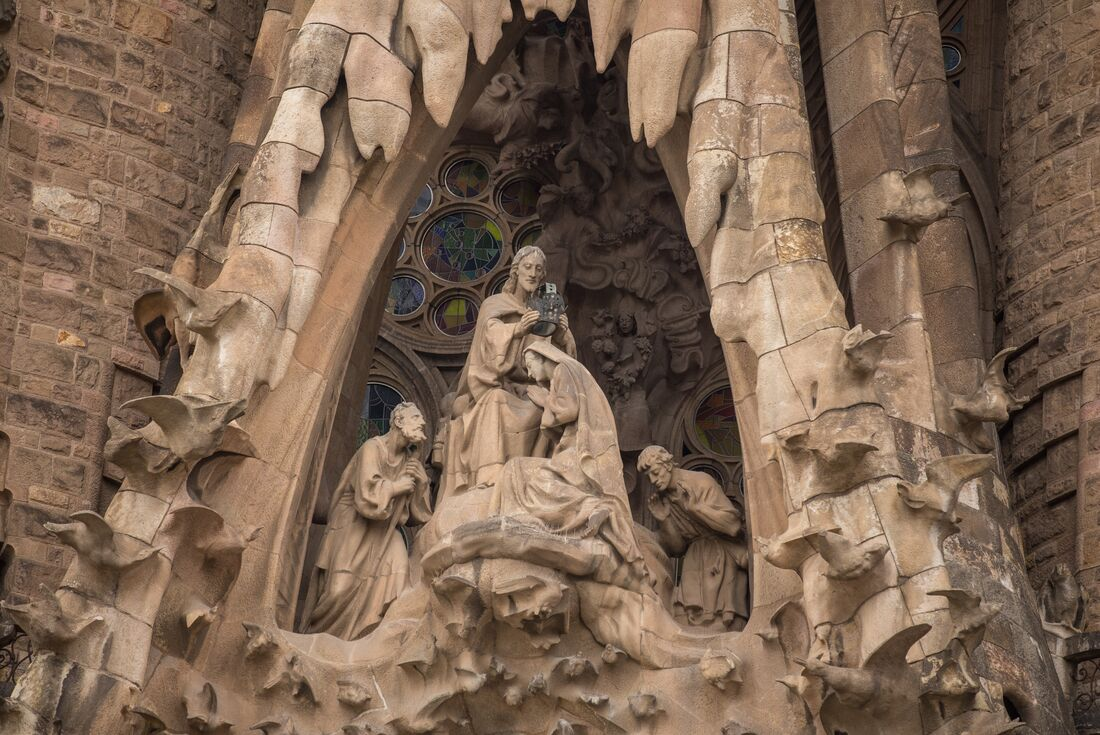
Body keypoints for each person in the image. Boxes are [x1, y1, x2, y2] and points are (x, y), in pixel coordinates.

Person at [493, 341, 647, 579]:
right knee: (523, 472)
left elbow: (569, 410)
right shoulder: (568, 372)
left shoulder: (563, 369)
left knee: (517, 471)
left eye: (530, 365)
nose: (530, 374)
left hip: (582, 452)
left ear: (543, 357)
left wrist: (544, 400)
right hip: (579, 450)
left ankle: (590, 508)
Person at [440, 245, 576, 498]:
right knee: (496, 401)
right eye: (527, 267)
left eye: (538, 269)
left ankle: (533, 483)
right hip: (494, 385)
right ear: (516, 271)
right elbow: (488, 345)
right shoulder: (495, 305)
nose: (532, 273)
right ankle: (490, 477)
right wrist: (516, 330)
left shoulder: (544, 312)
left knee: (544, 408)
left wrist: (562, 336)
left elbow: (556, 364)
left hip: (529, 389)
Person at [301, 403, 432, 639]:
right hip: (353, 523)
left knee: (399, 578)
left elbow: (417, 518)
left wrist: (421, 483)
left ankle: (378, 643)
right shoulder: (372, 448)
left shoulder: (410, 460)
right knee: (338, 592)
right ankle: (319, 642)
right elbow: (365, 495)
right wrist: (396, 487)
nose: (421, 422)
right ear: (399, 421)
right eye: (415, 417)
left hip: (386, 530)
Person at [637, 445, 749, 631]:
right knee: (687, 622)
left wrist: (696, 509)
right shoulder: (665, 498)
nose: (653, 480)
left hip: (722, 554)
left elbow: (733, 526)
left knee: (721, 624)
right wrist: (664, 520)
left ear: (667, 465)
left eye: (655, 473)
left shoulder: (701, 482)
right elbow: (677, 549)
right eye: (649, 477)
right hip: (693, 558)